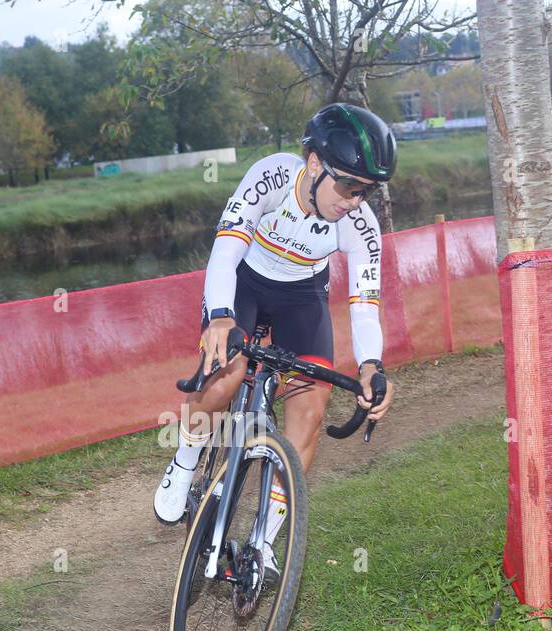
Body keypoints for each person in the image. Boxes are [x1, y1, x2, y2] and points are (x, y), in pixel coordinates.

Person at [153, 103, 398, 571]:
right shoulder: (270, 176)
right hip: (243, 282)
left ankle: (263, 541)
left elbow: (365, 305)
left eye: (366, 191)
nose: (355, 200)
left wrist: (371, 365)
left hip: (302, 297)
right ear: (313, 165)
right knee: (226, 374)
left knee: (310, 408)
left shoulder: (361, 226)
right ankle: (185, 458)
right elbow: (224, 254)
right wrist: (221, 317)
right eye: (349, 185)